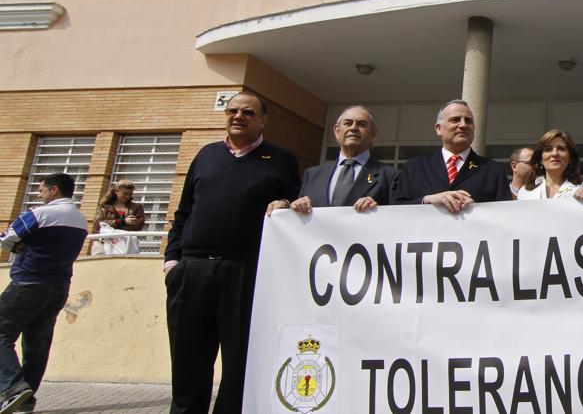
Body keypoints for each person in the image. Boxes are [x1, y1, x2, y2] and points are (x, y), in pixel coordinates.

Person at [164, 91, 300, 414]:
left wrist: (286, 206)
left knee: (240, 369)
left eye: (248, 113)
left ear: (263, 120)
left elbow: (294, 213)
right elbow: (183, 212)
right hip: (191, 272)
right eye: (233, 111)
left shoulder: (281, 161)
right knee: (187, 369)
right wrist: (172, 261)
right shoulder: (207, 155)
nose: (239, 117)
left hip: (245, 273)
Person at [0, 173, 88, 414]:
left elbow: (7, 238)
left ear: (54, 190)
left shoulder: (40, 213)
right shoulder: (81, 220)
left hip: (28, 283)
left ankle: (12, 388)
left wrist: (17, 245)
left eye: (41, 190)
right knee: (37, 345)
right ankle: (25, 401)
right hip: (59, 287)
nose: (39, 194)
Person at [267, 106, 397, 216]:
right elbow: (300, 212)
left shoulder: (390, 176)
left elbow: (398, 218)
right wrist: (287, 206)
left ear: (373, 134)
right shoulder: (312, 175)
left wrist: (379, 210)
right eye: (348, 123)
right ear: (336, 131)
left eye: (361, 124)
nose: (353, 128)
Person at [391, 100, 511, 212]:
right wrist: (426, 200)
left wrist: (476, 210)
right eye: (455, 120)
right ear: (439, 129)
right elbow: (395, 208)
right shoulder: (415, 167)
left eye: (468, 121)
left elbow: (505, 214)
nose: (463, 125)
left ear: (473, 129)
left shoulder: (493, 170)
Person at [515, 130, 583, 202]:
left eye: (561, 149)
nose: (554, 154)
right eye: (548, 149)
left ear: (570, 158)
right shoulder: (525, 192)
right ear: (540, 159)